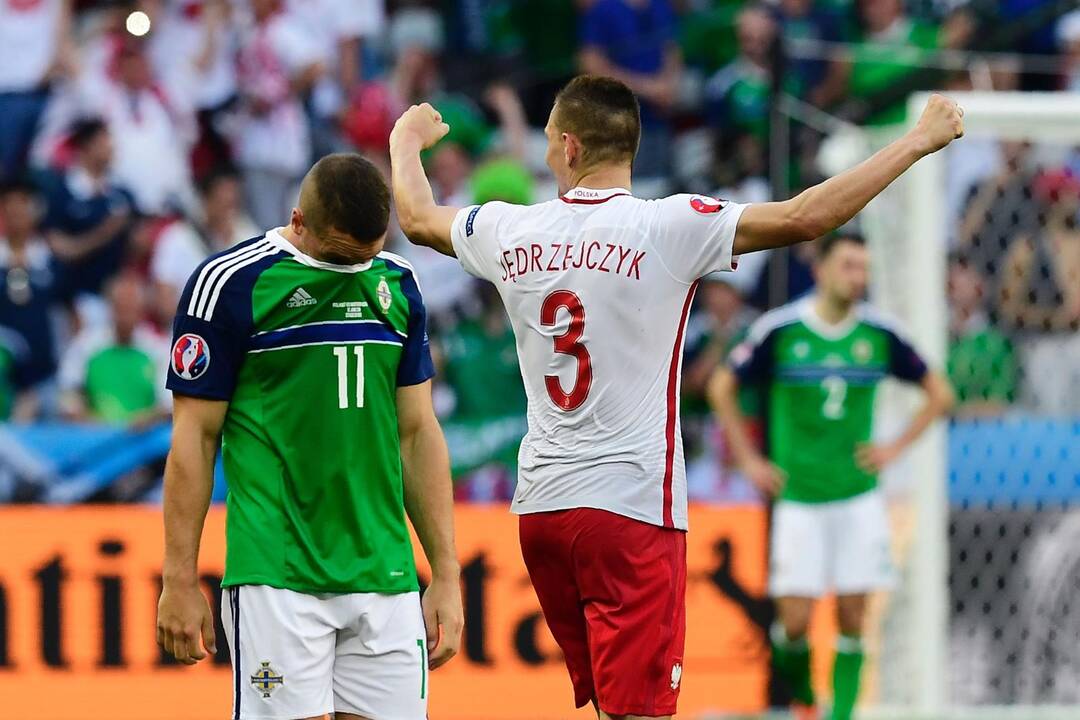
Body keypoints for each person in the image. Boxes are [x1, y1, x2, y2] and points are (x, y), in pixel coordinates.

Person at [389, 74, 963, 719]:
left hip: (543, 515)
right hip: (631, 510)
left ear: (572, 147)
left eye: (548, 142)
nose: (546, 155)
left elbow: (414, 217)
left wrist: (405, 141)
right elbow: (809, 216)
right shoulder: (669, 224)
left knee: (613, 705)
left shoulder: (508, 229)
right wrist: (915, 142)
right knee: (639, 711)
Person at [156, 154, 462, 720]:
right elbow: (194, 440)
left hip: (385, 574)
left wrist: (445, 573)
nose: (353, 269)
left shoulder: (398, 282)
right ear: (298, 222)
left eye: (365, 256)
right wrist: (178, 578)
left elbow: (418, 434)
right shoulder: (227, 285)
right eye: (338, 255)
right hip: (278, 576)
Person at [707, 232, 955, 720]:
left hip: (858, 497)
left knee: (854, 616)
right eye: (848, 266)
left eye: (863, 269)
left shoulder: (881, 334)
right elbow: (721, 386)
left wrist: (893, 448)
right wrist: (750, 460)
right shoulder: (781, 331)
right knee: (794, 623)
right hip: (798, 497)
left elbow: (941, 394)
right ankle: (804, 698)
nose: (857, 278)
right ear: (819, 269)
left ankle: (839, 716)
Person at [58, 273, 171, 427]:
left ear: (141, 311)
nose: (125, 316)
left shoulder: (159, 349)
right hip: (94, 436)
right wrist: (83, 416)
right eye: (120, 308)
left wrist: (148, 418)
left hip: (143, 439)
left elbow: (169, 405)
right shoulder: (85, 345)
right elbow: (68, 393)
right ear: (110, 308)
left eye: (131, 308)